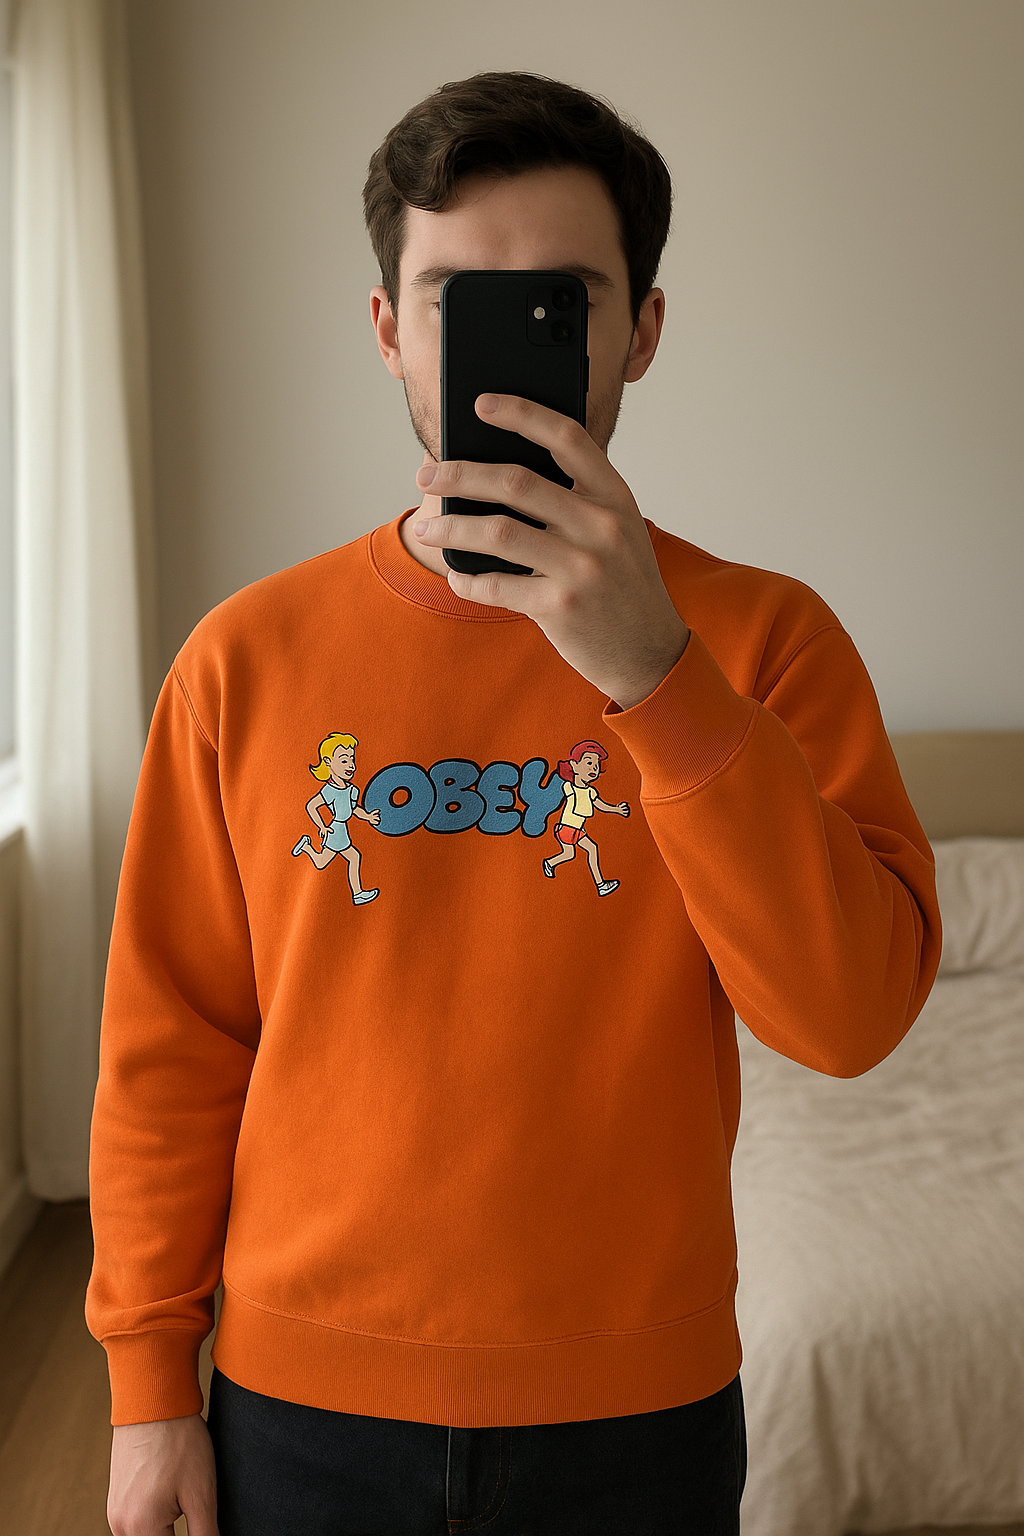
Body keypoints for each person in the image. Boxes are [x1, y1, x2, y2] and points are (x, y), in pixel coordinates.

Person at [89, 71, 941, 1536]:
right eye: (453, 301)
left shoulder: (765, 642)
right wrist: (148, 1387)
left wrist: (655, 674)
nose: (502, 355)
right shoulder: (244, 659)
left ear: (643, 331)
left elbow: (850, 1017)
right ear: (387, 329)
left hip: (640, 1406)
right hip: (302, 1391)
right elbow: (172, 1045)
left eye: (561, 304)